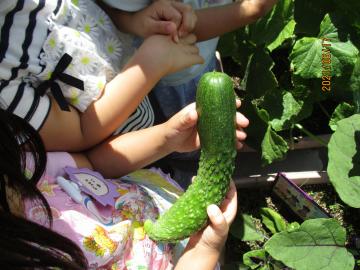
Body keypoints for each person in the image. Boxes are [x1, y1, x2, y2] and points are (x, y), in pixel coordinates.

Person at [0, 106, 238, 269]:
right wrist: (204, 249)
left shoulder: (22, 170)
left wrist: (166, 138)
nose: (13, 181)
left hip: (155, 204)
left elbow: (92, 164)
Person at [0, 0, 203, 154]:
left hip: (143, 81)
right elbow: (80, 132)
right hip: (126, 150)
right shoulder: (3, 84)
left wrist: (131, 21)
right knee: (179, 146)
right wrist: (148, 66)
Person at [101, 0, 278, 121]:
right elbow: (174, 28)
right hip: (164, 74)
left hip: (195, 59)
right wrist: (251, 10)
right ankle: (180, 160)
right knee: (182, 124)